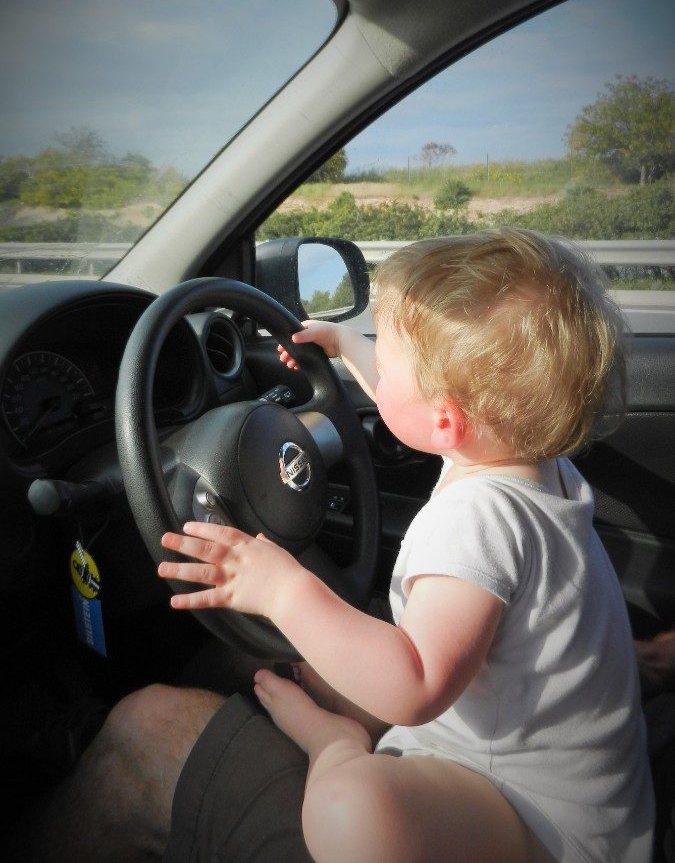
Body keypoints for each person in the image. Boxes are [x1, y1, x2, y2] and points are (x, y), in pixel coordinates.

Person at [3, 228, 655, 862]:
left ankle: (334, 749)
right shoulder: (537, 468)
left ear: (446, 417)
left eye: (385, 353)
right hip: (591, 797)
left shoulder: (476, 522)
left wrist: (283, 590)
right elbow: (420, 405)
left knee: (353, 814)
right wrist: (347, 346)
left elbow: (413, 687)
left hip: (534, 823)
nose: (375, 358)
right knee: (318, 663)